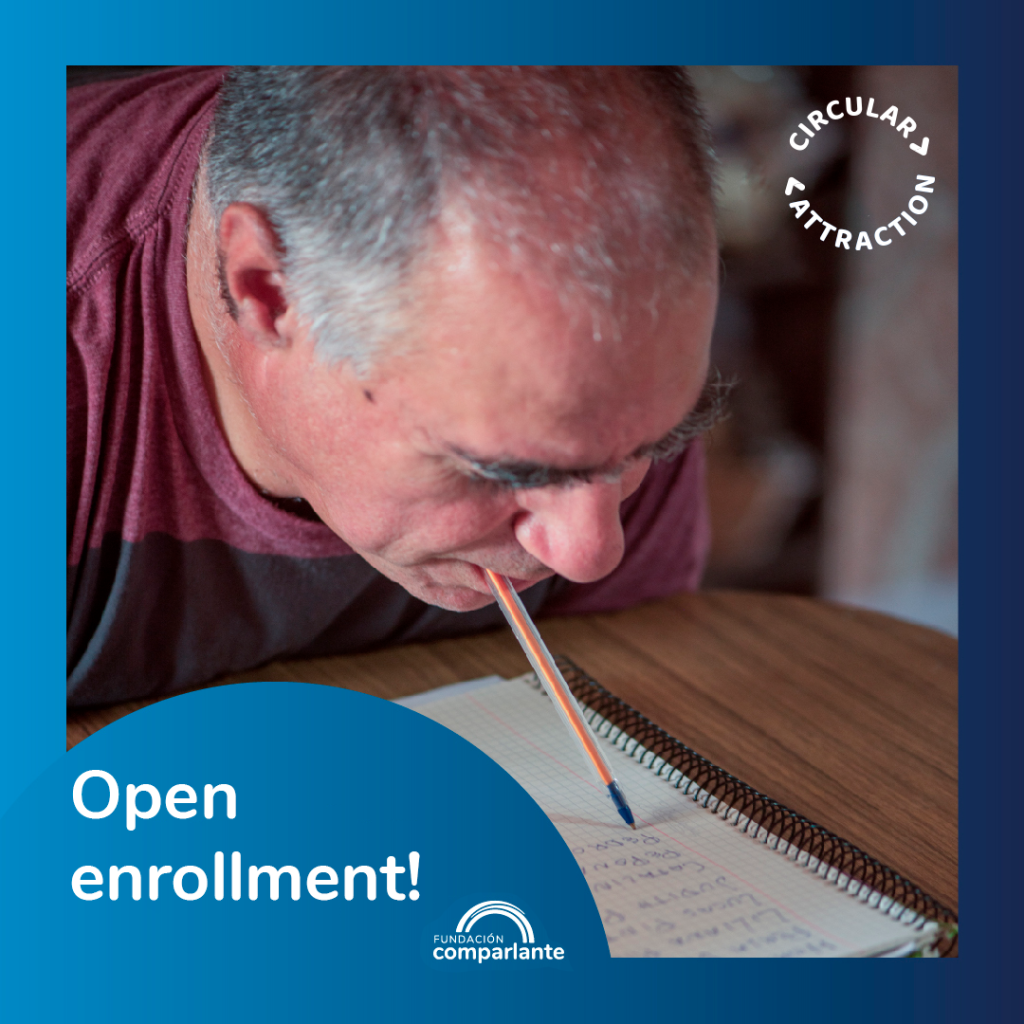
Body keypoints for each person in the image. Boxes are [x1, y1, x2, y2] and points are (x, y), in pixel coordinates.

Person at [67, 66, 723, 708]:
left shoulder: (607, 367)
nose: (593, 551)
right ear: (267, 289)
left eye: (655, 443)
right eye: (503, 469)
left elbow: (632, 696)